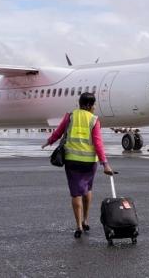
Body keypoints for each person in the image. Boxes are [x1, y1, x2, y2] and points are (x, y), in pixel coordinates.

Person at [42, 92, 115, 238]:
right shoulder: (94, 120)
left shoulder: (70, 116)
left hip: (72, 161)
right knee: (87, 188)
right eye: (94, 105)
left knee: (76, 192)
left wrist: (49, 141)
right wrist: (104, 163)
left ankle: (78, 226)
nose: (95, 107)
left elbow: (59, 132)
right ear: (88, 105)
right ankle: (86, 219)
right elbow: (97, 143)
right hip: (89, 162)